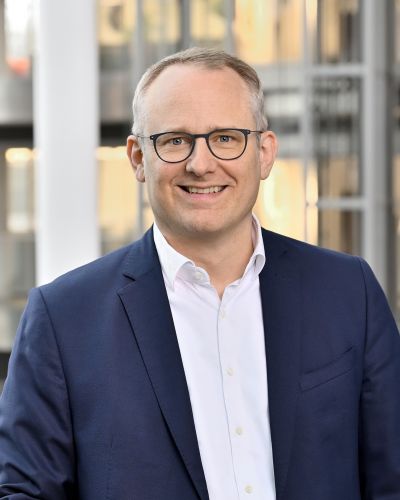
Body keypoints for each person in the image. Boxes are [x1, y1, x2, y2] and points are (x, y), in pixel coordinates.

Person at [0, 47, 399, 500]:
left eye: (226, 138)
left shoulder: (348, 292)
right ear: (137, 157)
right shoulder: (63, 319)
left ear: (264, 153)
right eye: (175, 140)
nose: (201, 163)